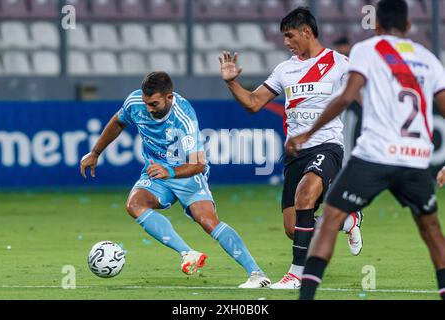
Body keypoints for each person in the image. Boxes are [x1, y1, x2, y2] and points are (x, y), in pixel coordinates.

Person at [286, 0, 445, 300]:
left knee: (330, 221)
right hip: (415, 160)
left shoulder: (368, 50)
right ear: (409, 26)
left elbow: (347, 96)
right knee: (433, 232)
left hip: (374, 155)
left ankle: (306, 296)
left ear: (379, 25)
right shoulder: (429, 59)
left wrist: (309, 131)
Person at [80, 72, 271, 288]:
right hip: (156, 173)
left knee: (207, 220)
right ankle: (187, 253)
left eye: (154, 103)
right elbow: (117, 122)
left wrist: (169, 172)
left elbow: (198, 164)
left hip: (186, 173)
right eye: (146, 102)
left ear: (169, 97)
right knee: (135, 204)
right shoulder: (135, 103)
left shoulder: (184, 117)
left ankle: (256, 273)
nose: (149, 108)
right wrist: (95, 152)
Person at [219, 7, 363, 290]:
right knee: (292, 227)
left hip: (327, 146)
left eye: (289, 35)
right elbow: (253, 103)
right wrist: (231, 82)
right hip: (295, 153)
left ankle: (296, 275)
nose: (286, 42)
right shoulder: (285, 69)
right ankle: (346, 220)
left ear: (307, 32)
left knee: (305, 196)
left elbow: (363, 90)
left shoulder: (339, 63)